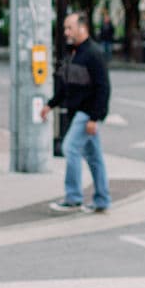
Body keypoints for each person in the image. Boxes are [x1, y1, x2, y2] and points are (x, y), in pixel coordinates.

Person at [49, 12, 111, 213]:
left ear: (82, 28)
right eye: (65, 28)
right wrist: (50, 105)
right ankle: (102, 200)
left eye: (70, 28)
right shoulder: (74, 53)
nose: (66, 32)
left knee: (70, 148)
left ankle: (73, 197)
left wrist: (94, 117)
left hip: (86, 113)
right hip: (80, 113)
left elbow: (103, 87)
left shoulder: (93, 54)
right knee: (94, 157)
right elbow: (66, 86)